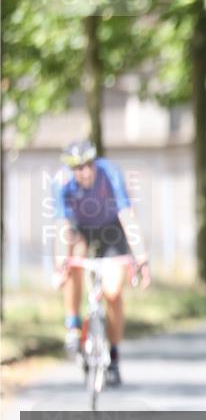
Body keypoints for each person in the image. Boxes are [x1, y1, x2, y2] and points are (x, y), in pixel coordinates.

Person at [53, 139, 151, 387]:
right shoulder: (62, 182)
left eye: (87, 165)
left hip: (111, 230)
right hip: (81, 229)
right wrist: (60, 262)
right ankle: (73, 324)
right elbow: (62, 226)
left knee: (113, 292)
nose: (83, 172)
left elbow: (127, 215)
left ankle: (114, 356)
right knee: (70, 261)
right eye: (77, 167)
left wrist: (140, 257)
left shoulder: (110, 173)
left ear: (94, 162)